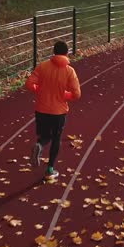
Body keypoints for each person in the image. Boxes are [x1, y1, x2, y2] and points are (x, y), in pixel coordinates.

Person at [25, 40, 82, 179]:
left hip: (41, 109)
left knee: (45, 136)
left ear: (54, 52)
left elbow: (29, 84)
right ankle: (50, 169)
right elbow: (77, 94)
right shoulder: (69, 71)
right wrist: (64, 95)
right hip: (59, 112)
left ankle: (39, 145)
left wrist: (39, 90)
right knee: (56, 139)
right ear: (67, 53)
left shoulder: (43, 67)